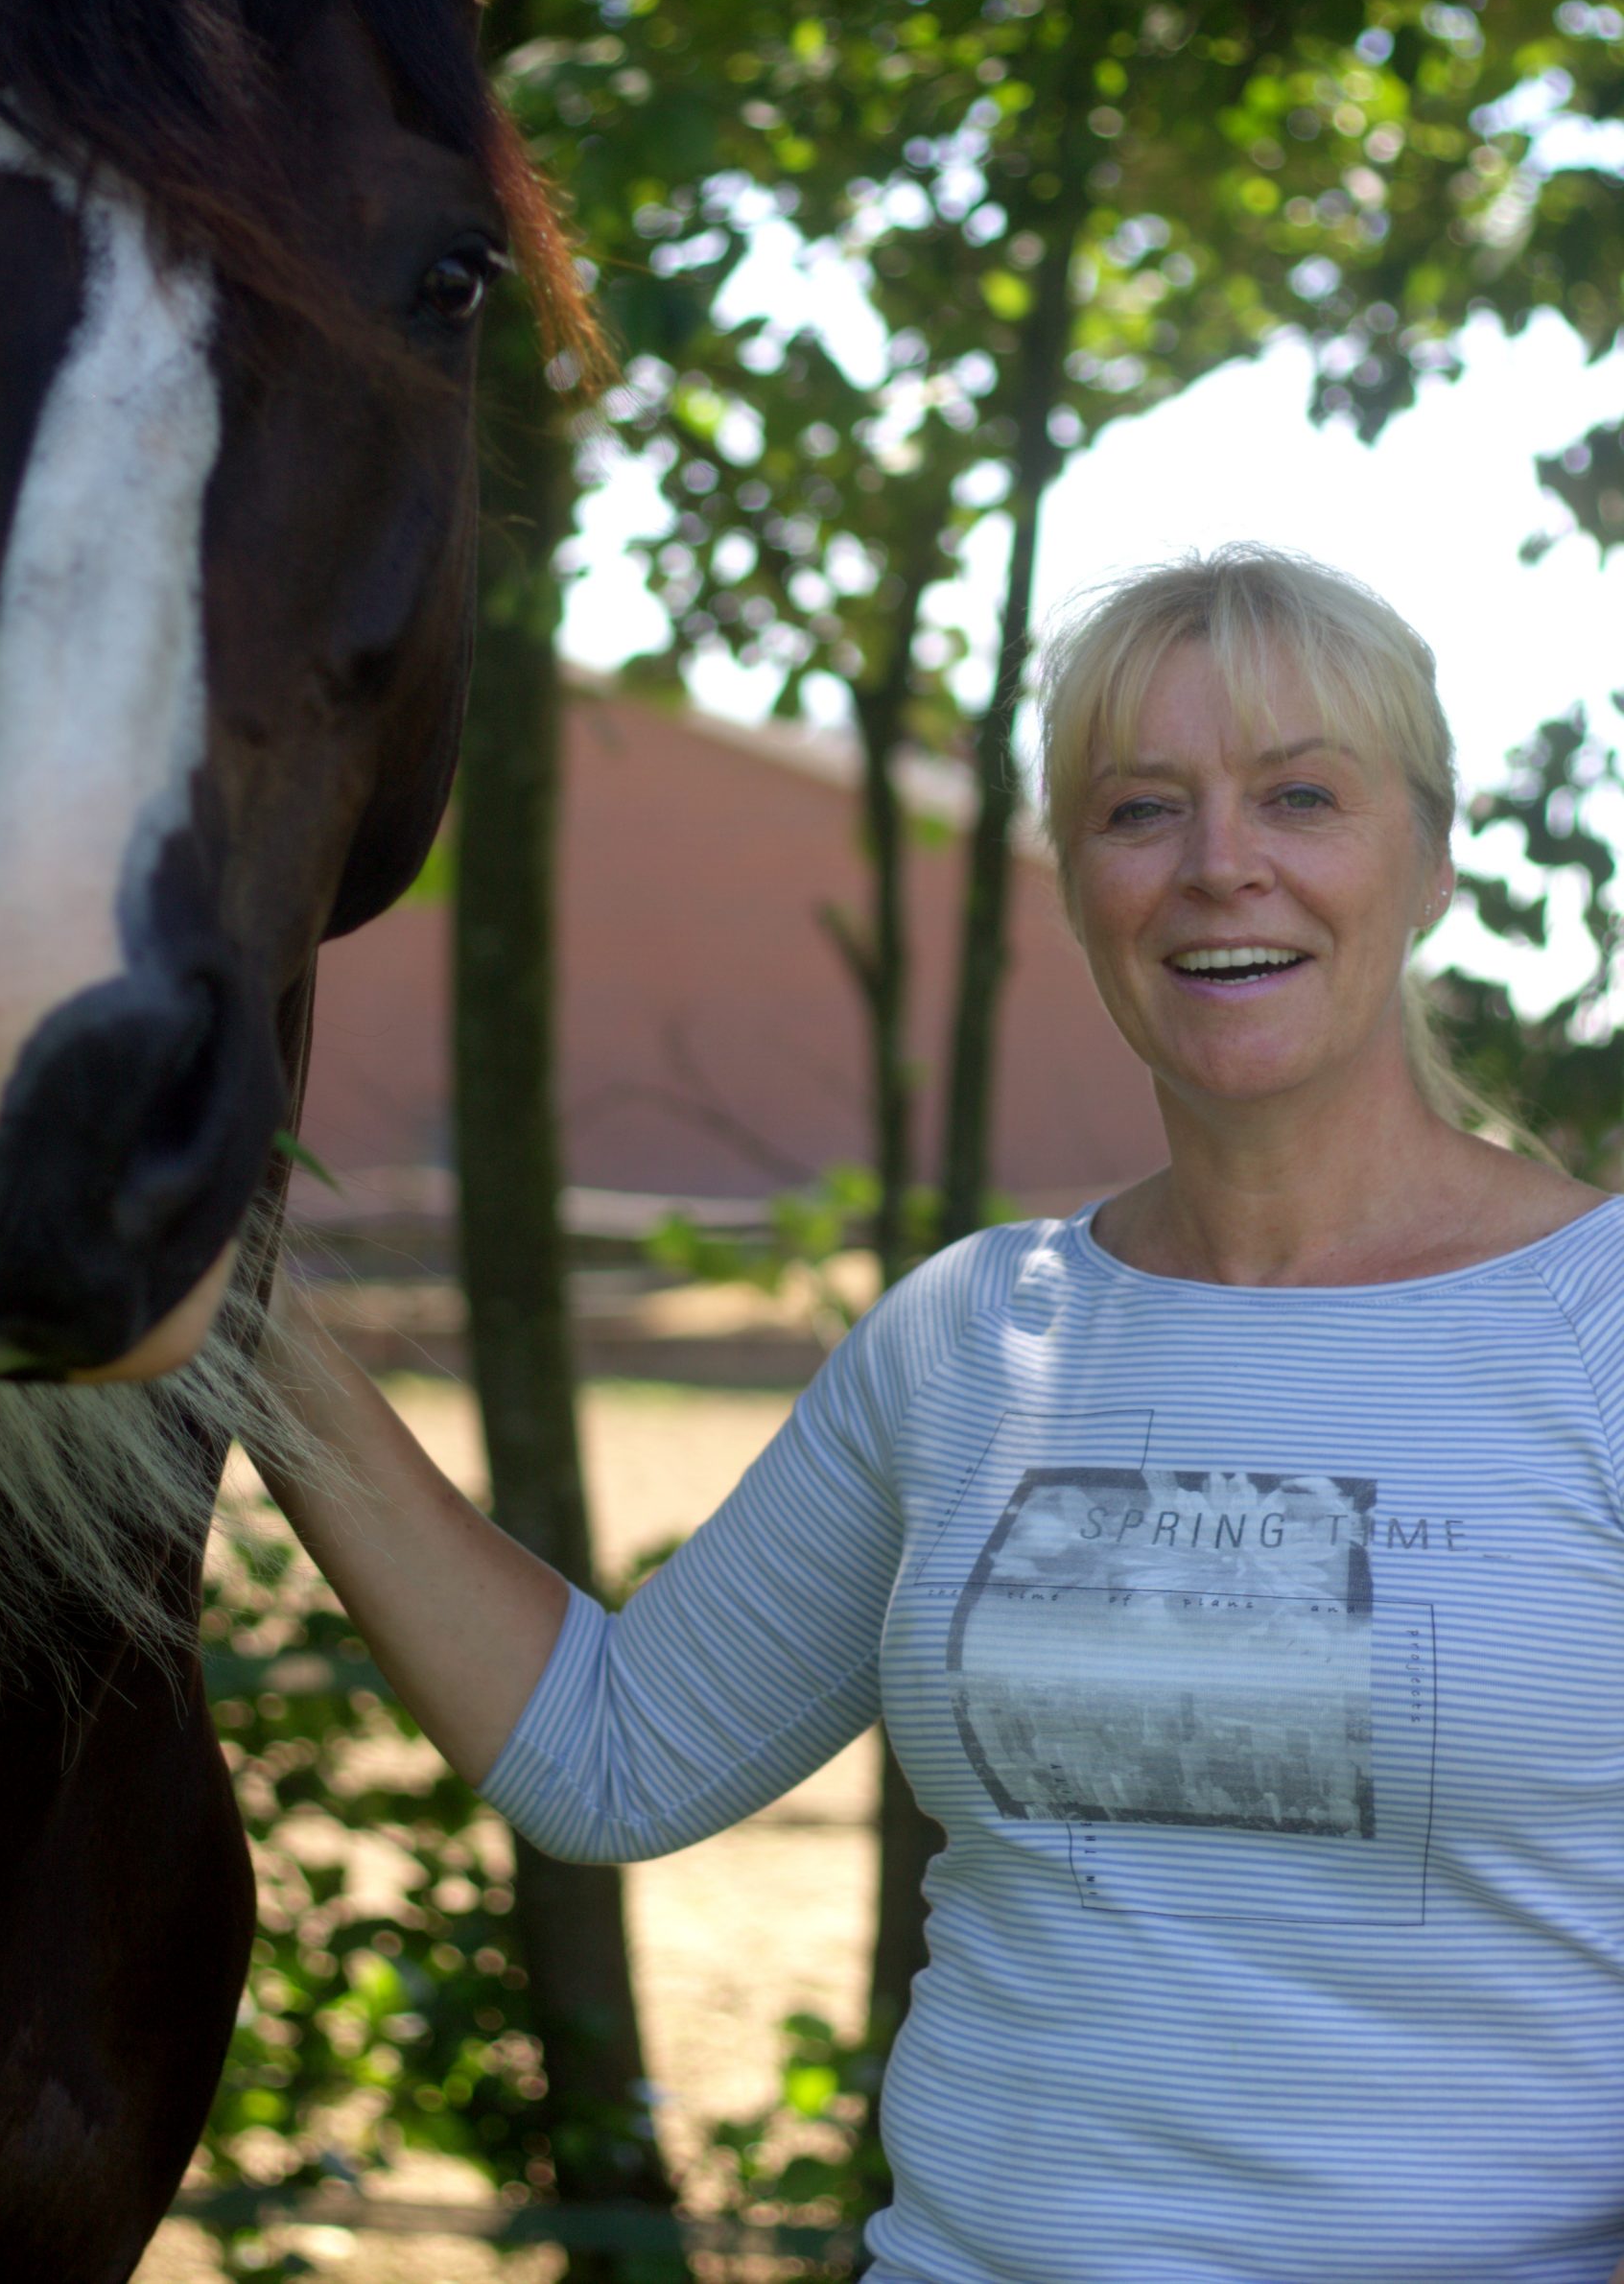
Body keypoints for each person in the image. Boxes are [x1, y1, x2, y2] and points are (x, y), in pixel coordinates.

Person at [255, 544, 1624, 2284]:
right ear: (1076, 885)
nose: (1223, 867)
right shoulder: (976, 1342)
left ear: (1428, 863)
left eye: (1301, 796)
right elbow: (613, 1753)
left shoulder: (1600, 1325)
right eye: (1142, 810)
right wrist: (248, 1324)